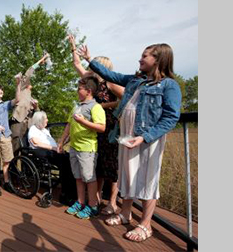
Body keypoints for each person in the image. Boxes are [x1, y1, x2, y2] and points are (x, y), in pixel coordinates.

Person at [80, 43, 182, 242]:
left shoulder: (170, 85)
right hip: (126, 137)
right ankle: (125, 214)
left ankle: (145, 225)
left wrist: (145, 136)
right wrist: (89, 59)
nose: (140, 59)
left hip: (146, 140)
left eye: (145, 56)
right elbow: (112, 76)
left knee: (148, 181)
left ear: (159, 59)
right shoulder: (137, 80)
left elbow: (171, 117)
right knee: (126, 176)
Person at [68, 34, 125, 215]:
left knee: (111, 166)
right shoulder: (92, 81)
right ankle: (96, 199)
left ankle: (113, 202)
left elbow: (127, 99)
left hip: (108, 127)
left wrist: (103, 105)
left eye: (95, 65)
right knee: (97, 165)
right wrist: (72, 45)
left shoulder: (110, 84)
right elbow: (76, 64)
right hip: (92, 130)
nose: (90, 68)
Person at [57, 75, 106, 220]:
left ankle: (93, 206)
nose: (77, 91)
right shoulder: (76, 106)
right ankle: (80, 202)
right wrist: (61, 141)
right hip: (74, 147)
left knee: (89, 178)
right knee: (78, 177)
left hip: (87, 149)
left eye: (79, 89)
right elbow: (69, 125)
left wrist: (84, 122)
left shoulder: (96, 107)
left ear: (88, 90)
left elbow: (101, 128)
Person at [27, 111, 77, 205]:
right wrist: (54, 148)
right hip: (40, 151)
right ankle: (65, 195)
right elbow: (36, 143)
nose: (47, 120)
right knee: (66, 164)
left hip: (52, 151)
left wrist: (59, 146)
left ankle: (71, 193)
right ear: (40, 120)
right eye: (46, 118)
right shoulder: (33, 129)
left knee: (70, 160)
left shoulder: (45, 130)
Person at [10, 54, 49, 154]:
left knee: (26, 149)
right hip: (18, 121)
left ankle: (24, 169)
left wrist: (36, 107)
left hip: (28, 125)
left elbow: (37, 113)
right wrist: (42, 60)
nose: (30, 82)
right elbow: (29, 71)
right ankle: (12, 168)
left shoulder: (30, 97)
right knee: (15, 146)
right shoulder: (22, 88)